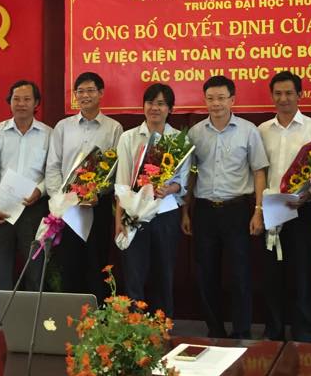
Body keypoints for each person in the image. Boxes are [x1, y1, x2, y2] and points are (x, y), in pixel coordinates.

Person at [182, 75, 269, 339]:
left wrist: (258, 211)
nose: (216, 104)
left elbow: (259, 171)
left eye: (221, 98)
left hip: (237, 210)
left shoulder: (248, 130)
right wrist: (186, 211)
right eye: (210, 98)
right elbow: (190, 175)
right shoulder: (195, 133)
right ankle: (215, 330)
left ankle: (242, 331)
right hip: (205, 211)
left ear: (232, 100)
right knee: (206, 274)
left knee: (240, 274)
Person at [258, 70, 311, 342]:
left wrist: (309, 194)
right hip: (271, 210)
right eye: (278, 93)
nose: (283, 98)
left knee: (302, 272)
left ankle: (304, 332)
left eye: (289, 93)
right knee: (271, 274)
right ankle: (273, 330)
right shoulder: (262, 130)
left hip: (302, 208)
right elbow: (259, 171)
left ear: (300, 95)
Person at [45, 72, 122, 299]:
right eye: (80, 92)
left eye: (90, 91)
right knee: (70, 264)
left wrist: (98, 192)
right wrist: (59, 200)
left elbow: (116, 170)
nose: (85, 96)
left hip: (98, 206)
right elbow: (53, 166)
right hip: (68, 208)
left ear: (101, 93)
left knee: (97, 263)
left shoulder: (114, 128)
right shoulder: (62, 127)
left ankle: (98, 314)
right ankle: (71, 314)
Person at [113, 83, 186, 317]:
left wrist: (170, 188)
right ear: (143, 106)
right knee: (134, 273)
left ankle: (163, 326)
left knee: (164, 272)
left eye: (161, 104)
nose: (155, 108)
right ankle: (136, 326)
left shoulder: (179, 140)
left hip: (165, 213)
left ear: (170, 109)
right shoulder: (128, 137)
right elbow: (122, 182)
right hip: (134, 213)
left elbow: (183, 182)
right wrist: (118, 220)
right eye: (150, 103)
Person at [0, 80, 52, 293]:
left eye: (27, 99)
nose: (21, 104)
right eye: (16, 99)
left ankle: (33, 314)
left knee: (35, 272)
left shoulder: (48, 134)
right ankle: (3, 315)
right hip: (1, 211)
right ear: (9, 102)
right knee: (1, 273)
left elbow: (52, 172)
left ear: (36, 103)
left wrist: (40, 190)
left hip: (34, 209)